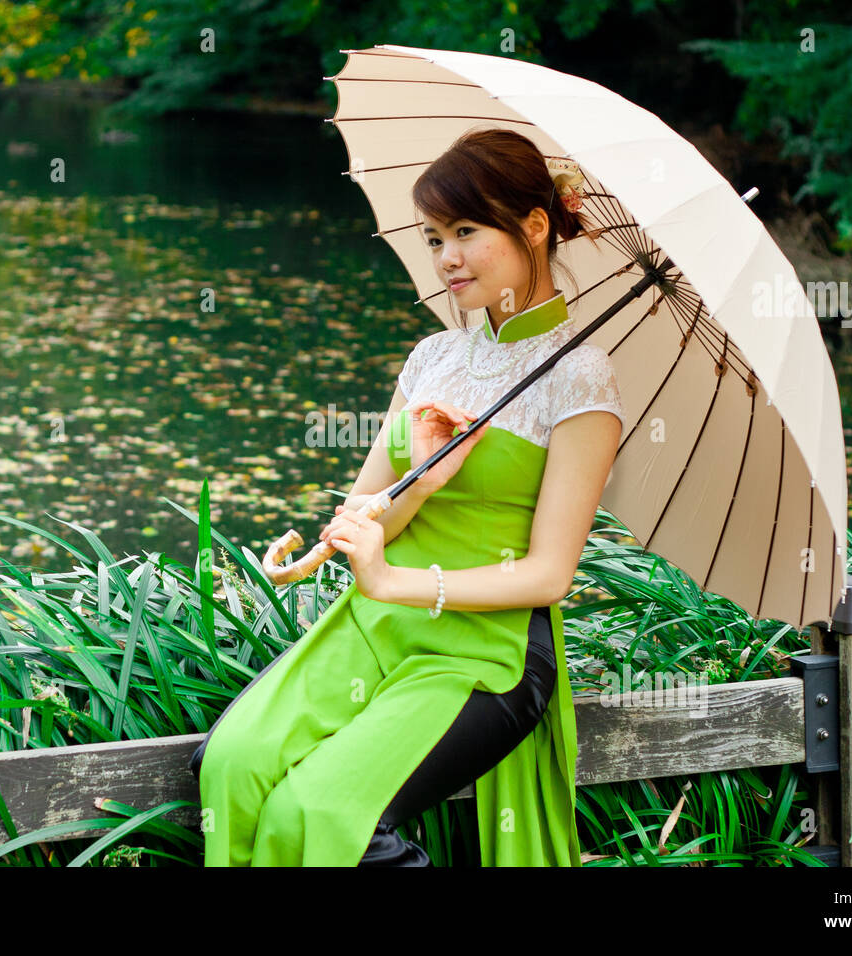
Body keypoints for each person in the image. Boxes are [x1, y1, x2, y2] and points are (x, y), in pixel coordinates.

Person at [189, 127, 626, 866]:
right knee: (229, 764)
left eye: (465, 231)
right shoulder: (432, 358)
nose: (446, 257)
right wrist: (413, 490)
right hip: (374, 626)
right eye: (432, 238)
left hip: (488, 649)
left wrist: (395, 580)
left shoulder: (580, 379)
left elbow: (551, 574)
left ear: (535, 226)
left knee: (324, 811)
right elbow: (366, 505)